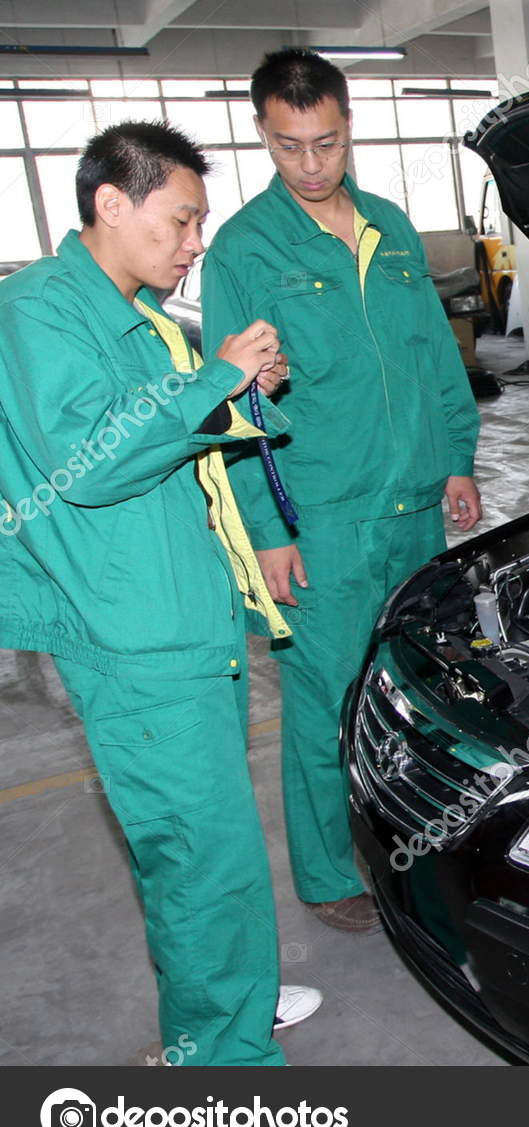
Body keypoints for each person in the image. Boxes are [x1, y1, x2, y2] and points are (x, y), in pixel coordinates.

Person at [0, 122, 321, 1064]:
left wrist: (252, 387)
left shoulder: (140, 315)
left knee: (214, 847)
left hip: (192, 617)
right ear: (111, 203)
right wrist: (219, 374)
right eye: (182, 221)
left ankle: (229, 1003)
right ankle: (220, 1060)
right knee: (197, 860)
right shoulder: (40, 309)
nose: (193, 245)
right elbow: (90, 459)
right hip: (135, 637)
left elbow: (191, 428)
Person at [202, 49, 482, 934]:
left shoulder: (391, 229)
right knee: (325, 703)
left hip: (413, 510)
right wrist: (267, 532)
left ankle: (409, 838)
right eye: (290, 147)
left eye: (326, 142)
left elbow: (435, 357)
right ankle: (329, 877)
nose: (312, 165)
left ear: (348, 125)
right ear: (263, 136)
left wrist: (460, 459)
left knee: (413, 689)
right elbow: (231, 405)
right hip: (319, 520)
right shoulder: (243, 252)